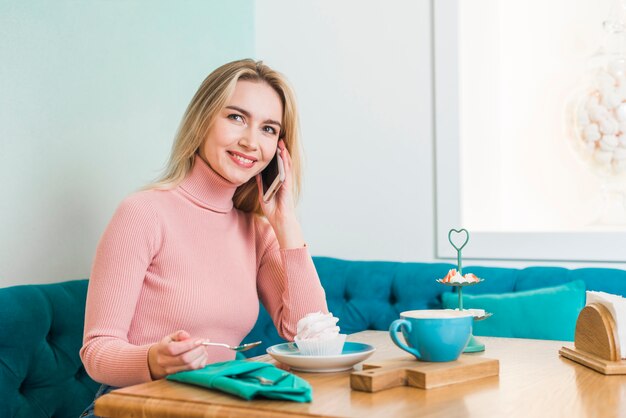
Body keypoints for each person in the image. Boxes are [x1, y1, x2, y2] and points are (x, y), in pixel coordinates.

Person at [79, 59, 328, 413]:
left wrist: (286, 223)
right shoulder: (143, 213)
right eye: (236, 117)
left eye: (269, 129)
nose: (250, 142)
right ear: (203, 119)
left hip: (215, 409)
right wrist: (153, 360)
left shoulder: (259, 231)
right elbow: (96, 352)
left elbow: (311, 336)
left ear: (279, 149)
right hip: (134, 409)